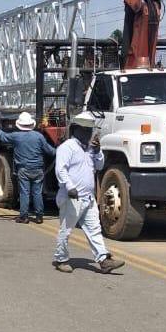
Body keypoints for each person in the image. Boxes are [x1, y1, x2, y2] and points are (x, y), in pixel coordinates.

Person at [52, 113, 125, 274]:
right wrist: (69, 187)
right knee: (66, 229)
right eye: (85, 130)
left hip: (88, 198)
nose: (88, 133)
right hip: (71, 197)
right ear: (76, 129)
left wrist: (98, 151)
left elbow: (99, 166)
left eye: (90, 130)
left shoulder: (90, 148)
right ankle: (61, 258)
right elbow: (61, 169)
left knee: (94, 229)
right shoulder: (67, 147)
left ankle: (103, 260)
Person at [0, 111, 55, 223]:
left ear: (20, 124)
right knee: (37, 192)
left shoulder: (16, 136)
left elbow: (3, 137)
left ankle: (24, 216)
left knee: (24, 192)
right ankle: (39, 216)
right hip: (38, 169)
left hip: (23, 169)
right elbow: (50, 151)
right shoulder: (39, 136)